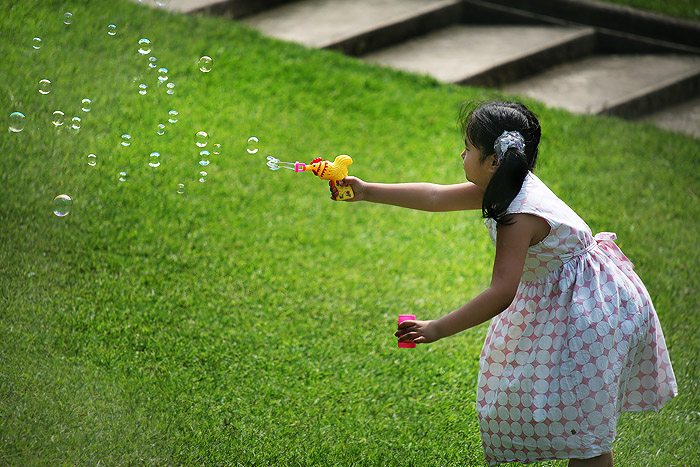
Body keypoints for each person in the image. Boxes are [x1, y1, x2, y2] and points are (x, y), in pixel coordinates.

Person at [333, 101, 677, 466]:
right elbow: (435, 196)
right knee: (575, 423)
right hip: (578, 299)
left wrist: (436, 328)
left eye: (468, 148)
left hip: (593, 313)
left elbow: (501, 292)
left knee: (585, 436)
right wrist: (368, 190)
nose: (461, 153)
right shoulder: (506, 182)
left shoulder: (518, 214)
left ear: (494, 160)